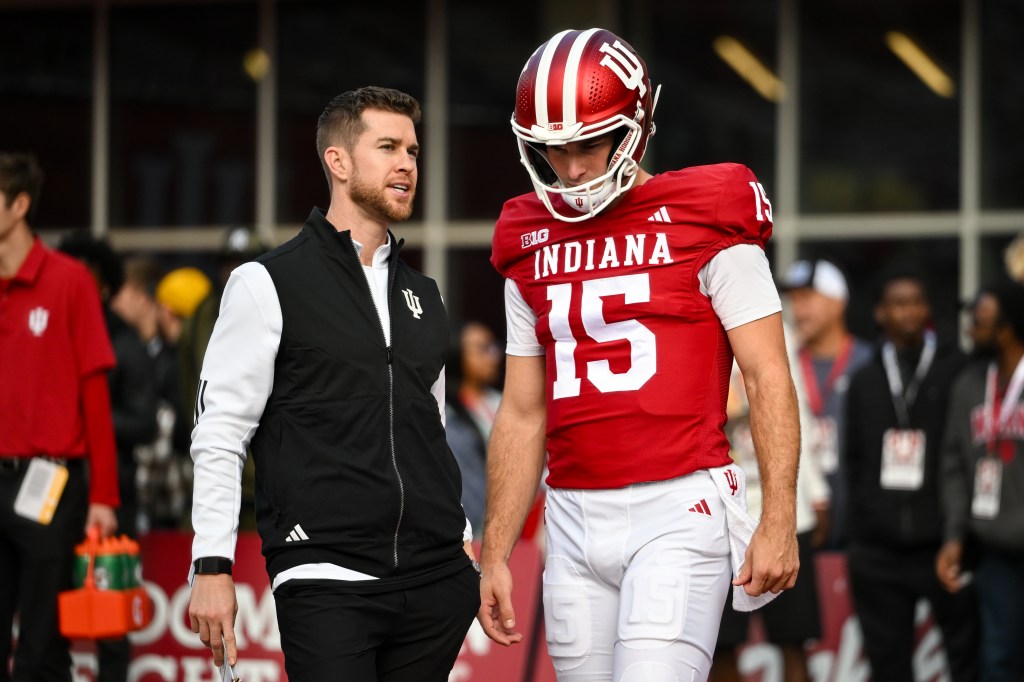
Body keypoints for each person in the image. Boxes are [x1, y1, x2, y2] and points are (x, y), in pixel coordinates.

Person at [478, 29, 801, 681]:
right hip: (569, 512)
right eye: (553, 149)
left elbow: (768, 377)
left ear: (637, 126)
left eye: (587, 144)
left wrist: (781, 515)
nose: (569, 168)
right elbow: (520, 410)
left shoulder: (711, 213)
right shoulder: (525, 236)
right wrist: (496, 548)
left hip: (678, 504)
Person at [187, 87, 479, 682]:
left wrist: (465, 539)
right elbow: (219, 434)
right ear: (337, 162)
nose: (407, 164)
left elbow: (433, 430)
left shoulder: (425, 295)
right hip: (325, 577)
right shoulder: (265, 282)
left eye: (414, 152)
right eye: (388, 147)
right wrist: (211, 564)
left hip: (437, 580)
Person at [0, 152, 120, 681]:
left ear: (19, 205)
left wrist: (104, 497)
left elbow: (96, 397)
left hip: (51, 484)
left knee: (42, 651)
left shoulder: (70, 282)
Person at [844, 269, 977, 682]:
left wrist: (958, 531)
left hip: (942, 544)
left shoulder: (957, 368)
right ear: (881, 313)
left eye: (917, 301)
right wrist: (863, 528)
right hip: (878, 549)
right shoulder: (864, 379)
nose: (909, 311)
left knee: (967, 657)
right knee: (889, 665)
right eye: (899, 303)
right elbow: (854, 459)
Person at [58, 231, 159, 682]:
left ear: (103, 286)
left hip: (113, 494)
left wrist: (90, 418)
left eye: (88, 279)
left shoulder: (125, 343)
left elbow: (146, 423)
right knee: (51, 609)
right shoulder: (52, 336)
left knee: (112, 617)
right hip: (57, 492)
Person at [712, 322, 829, 682]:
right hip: (718, 508)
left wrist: (817, 493)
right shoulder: (692, 326)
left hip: (779, 505)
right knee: (720, 646)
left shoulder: (773, 326)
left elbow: (798, 413)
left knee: (792, 639)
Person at [938, 284, 1024, 682]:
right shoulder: (969, 384)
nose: (970, 328)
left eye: (980, 319)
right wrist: (954, 537)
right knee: (998, 658)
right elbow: (953, 465)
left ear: (1007, 326)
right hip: (995, 550)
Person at [779, 259, 873, 549]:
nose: (798, 309)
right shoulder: (783, 362)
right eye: (794, 300)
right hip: (802, 522)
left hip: (860, 527)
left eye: (807, 298)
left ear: (837, 303)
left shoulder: (869, 363)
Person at [113, 258, 200, 530]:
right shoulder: (121, 347)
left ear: (141, 297)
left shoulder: (175, 354)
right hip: (134, 490)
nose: (114, 302)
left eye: (121, 292)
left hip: (172, 496)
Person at [444, 321, 503, 536]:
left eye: (494, 346)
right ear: (457, 352)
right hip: (469, 529)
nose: (494, 355)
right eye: (483, 348)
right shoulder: (444, 411)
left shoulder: (504, 404)